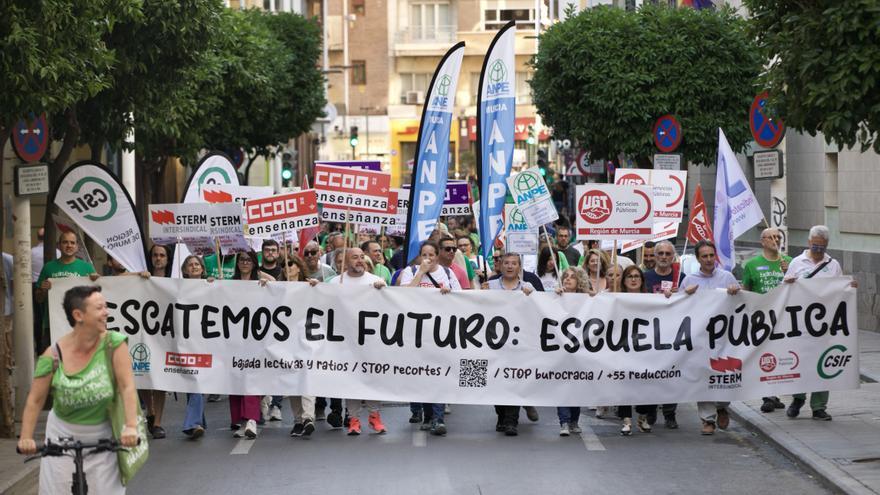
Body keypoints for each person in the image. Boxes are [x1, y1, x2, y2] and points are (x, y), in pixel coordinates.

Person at [17, 286, 139, 494]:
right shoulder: (53, 354)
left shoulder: (114, 345)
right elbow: (35, 400)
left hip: (103, 434)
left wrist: (130, 426)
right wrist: (26, 437)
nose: (106, 312)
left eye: (106, 307)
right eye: (100, 308)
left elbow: (127, 387)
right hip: (62, 434)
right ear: (78, 315)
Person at [783, 225, 857, 421]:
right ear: (809, 242)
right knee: (800, 362)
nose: (818, 251)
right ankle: (798, 399)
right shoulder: (797, 263)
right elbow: (784, 291)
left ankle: (819, 407)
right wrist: (788, 282)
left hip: (825, 325)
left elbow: (840, 290)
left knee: (823, 362)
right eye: (815, 247)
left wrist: (850, 286)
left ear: (827, 246)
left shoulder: (833, 265)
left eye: (822, 248)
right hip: (800, 324)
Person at [310, 248, 388, 436]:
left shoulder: (374, 281)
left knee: (371, 378)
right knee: (351, 380)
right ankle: (353, 419)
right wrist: (315, 287)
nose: (360, 260)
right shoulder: (336, 282)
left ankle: (374, 416)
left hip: (370, 341)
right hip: (345, 343)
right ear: (345, 262)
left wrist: (383, 289)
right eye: (355, 257)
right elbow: (322, 301)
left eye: (362, 257)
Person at [680, 240, 741, 435]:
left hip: (723, 337)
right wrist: (684, 295)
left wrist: (735, 291)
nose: (708, 259)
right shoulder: (689, 280)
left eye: (711, 255)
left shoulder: (727, 277)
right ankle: (708, 419)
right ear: (698, 259)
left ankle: (722, 406)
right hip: (700, 338)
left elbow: (739, 303)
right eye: (704, 256)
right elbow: (677, 308)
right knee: (703, 376)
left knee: (725, 372)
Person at [400, 241, 459, 434]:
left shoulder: (447, 273)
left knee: (439, 375)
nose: (428, 258)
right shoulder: (411, 271)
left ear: (437, 256)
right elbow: (403, 295)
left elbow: (462, 299)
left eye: (431, 255)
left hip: (441, 332)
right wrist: (420, 273)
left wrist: (449, 295)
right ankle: (427, 414)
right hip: (415, 332)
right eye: (424, 254)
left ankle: (438, 418)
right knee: (422, 374)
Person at [742, 228, 791, 414]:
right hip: (761, 319)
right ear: (762, 241)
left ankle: (775, 394)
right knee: (766, 357)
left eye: (778, 237)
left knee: (782, 357)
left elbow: (799, 286)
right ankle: (767, 396)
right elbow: (746, 291)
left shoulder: (789, 262)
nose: (776, 240)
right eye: (771, 237)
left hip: (785, 319)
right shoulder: (752, 264)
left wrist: (789, 273)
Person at [488, 253, 536, 436]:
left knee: (514, 380)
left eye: (514, 263)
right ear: (500, 266)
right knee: (496, 381)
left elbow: (540, 308)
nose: (509, 266)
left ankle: (511, 421)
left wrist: (532, 296)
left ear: (519, 267)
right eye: (506, 263)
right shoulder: (490, 286)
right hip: (494, 342)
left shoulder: (527, 287)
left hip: (519, 342)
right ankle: (501, 415)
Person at [644, 240, 684, 428]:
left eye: (668, 254)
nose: (664, 257)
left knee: (671, 375)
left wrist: (682, 294)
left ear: (673, 257)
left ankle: (670, 413)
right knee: (651, 375)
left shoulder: (682, 279)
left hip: (673, 335)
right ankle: (651, 410)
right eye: (660, 253)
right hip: (649, 335)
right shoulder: (645, 277)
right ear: (655, 255)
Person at [35, 231, 97, 352]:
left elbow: (96, 296)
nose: (69, 245)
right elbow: (38, 299)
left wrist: (97, 280)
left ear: (77, 247)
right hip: (52, 324)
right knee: (52, 365)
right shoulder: (49, 267)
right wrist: (42, 290)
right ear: (59, 245)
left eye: (72, 243)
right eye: (65, 242)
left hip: (80, 325)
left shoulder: (87, 267)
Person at [614, 266, 658, 435]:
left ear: (642, 280)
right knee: (625, 383)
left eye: (637, 276)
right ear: (624, 281)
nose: (633, 280)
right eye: (630, 276)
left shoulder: (652, 300)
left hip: (645, 348)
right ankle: (626, 420)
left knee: (648, 381)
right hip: (623, 347)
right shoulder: (615, 299)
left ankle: (642, 416)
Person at [278, 256, 318, 438]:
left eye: (290, 264)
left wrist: (319, 287)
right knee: (293, 380)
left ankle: (308, 417)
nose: (287, 268)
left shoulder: (310, 286)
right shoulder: (277, 288)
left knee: (307, 375)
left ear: (299, 267)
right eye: (284, 266)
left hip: (307, 338)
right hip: (285, 340)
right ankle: (298, 420)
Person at [228, 251, 265, 439]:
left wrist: (266, 281)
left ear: (254, 263)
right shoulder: (229, 283)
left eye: (248, 260)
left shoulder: (261, 282)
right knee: (235, 378)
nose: (244, 263)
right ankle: (240, 421)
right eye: (241, 260)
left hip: (255, 337)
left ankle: (251, 419)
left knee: (251, 377)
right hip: (232, 338)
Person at [552, 267, 592, 436]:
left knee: (576, 386)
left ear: (579, 281)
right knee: (562, 386)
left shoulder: (587, 299)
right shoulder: (556, 296)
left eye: (572, 277)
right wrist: (555, 295)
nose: (568, 280)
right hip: (560, 348)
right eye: (565, 277)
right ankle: (564, 421)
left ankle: (574, 420)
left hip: (580, 349)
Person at [141, 244, 173, 439]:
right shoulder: (142, 277)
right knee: (143, 375)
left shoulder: (174, 280)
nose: (158, 258)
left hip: (166, 335)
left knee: (161, 378)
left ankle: (158, 422)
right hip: (144, 333)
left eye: (162, 255)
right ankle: (150, 412)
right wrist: (137, 275)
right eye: (155, 255)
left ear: (167, 259)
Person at [180, 255, 214, 439]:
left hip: (205, 340)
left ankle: (193, 423)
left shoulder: (209, 286)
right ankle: (198, 420)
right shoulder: (176, 288)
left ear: (202, 268)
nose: (194, 267)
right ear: (185, 270)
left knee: (197, 378)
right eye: (190, 265)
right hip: (185, 340)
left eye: (197, 264)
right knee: (191, 378)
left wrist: (216, 286)